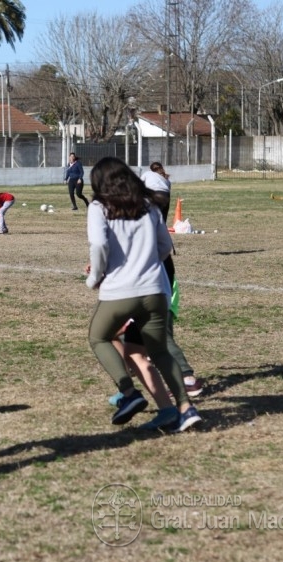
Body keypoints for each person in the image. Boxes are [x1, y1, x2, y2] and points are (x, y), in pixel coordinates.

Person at [85, 156, 201, 433]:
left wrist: (95, 277)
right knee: (158, 351)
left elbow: (99, 244)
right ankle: (185, 409)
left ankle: (128, 392)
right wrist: (146, 264)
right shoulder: (148, 205)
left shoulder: (99, 206)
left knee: (99, 336)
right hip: (156, 289)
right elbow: (165, 246)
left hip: (121, 291)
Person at [137, 162, 204, 397]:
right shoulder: (155, 212)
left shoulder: (145, 214)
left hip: (155, 276)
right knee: (161, 329)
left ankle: (186, 376)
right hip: (165, 271)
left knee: (156, 332)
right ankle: (167, 372)